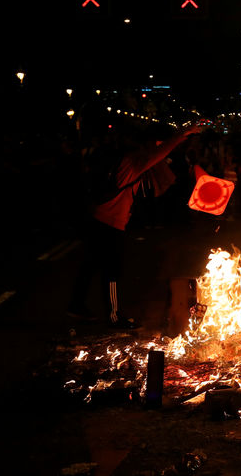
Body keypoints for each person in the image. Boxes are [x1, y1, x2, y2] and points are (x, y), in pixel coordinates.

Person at [68, 124, 204, 329]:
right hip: (110, 223)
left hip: (97, 219)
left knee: (90, 265)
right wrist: (181, 135)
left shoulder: (118, 159)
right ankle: (114, 316)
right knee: (111, 270)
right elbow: (160, 152)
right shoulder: (134, 162)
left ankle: (75, 306)